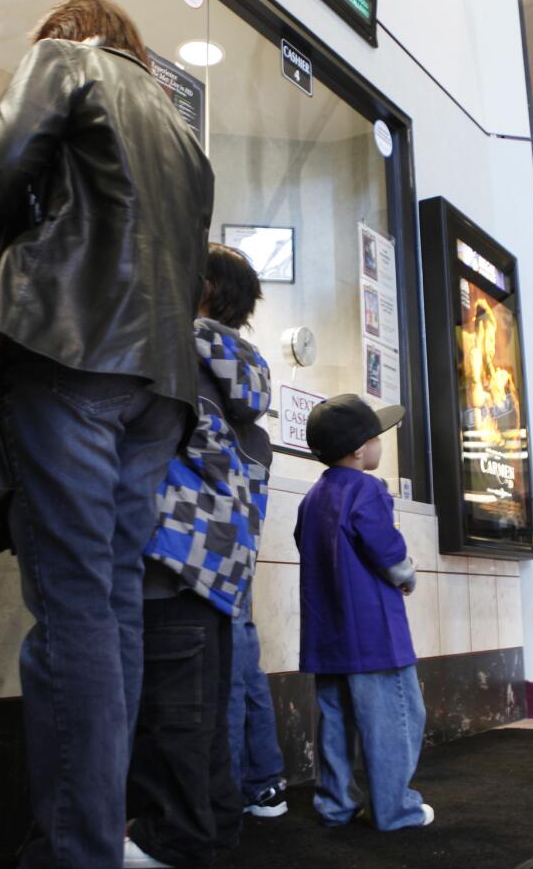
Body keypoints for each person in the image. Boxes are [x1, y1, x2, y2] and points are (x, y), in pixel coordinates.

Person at [0, 0, 214, 868]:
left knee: (72, 611)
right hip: (160, 387)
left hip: (67, 351)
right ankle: (100, 835)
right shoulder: (186, 138)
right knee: (112, 607)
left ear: (65, 29)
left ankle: (76, 850)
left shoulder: (66, 61)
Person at [124, 244, 272, 869]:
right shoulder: (245, 377)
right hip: (223, 572)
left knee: (171, 719)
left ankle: (172, 842)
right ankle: (213, 827)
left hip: (171, 560)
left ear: (202, 287)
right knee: (208, 714)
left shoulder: (175, 356)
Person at [297, 395, 433, 831]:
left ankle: (336, 805)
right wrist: (405, 574)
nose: (380, 445)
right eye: (378, 438)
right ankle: (397, 810)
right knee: (396, 719)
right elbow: (383, 545)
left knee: (335, 721)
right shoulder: (367, 488)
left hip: (326, 633)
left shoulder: (312, 497)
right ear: (360, 449)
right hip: (374, 635)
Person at [227, 591, 289, 818]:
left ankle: (226, 795)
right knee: (247, 673)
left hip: (204, 568)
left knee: (228, 676)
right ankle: (262, 787)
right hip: (235, 564)